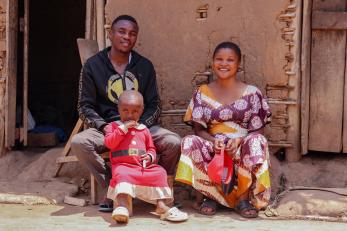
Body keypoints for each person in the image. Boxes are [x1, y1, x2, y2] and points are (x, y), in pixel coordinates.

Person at [71, 15, 181, 212]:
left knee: (173, 142)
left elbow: (155, 105)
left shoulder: (144, 66)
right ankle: (112, 187)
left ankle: (161, 190)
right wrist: (105, 127)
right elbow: (84, 106)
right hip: (108, 128)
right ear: (110, 34)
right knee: (80, 143)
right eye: (121, 31)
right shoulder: (93, 66)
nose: (126, 37)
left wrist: (140, 127)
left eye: (132, 34)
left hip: (141, 126)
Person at [175, 42, 271, 218]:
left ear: (238, 64)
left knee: (256, 141)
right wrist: (214, 141)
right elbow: (199, 130)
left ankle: (243, 199)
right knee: (189, 141)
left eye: (230, 60)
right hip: (214, 146)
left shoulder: (252, 93)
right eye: (219, 59)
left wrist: (240, 140)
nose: (223, 64)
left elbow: (259, 131)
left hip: (241, 145)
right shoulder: (202, 93)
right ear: (212, 62)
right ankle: (211, 196)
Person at [104, 90, 188, 223]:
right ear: (118, 109)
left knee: (160, 172)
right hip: (123, 166)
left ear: (141, 111)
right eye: (125, 110)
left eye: (135, 111)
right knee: (121, 174)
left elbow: (151, 148)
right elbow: (109, 142)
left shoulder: (144, 129)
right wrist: (123, 129)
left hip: (141, 168)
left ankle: (161, 206)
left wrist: (149, 156)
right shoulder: (113, 127)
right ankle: (122, 207)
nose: (130, 115)